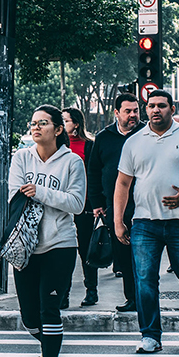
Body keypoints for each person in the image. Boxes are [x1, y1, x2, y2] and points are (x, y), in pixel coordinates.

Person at [114, 90, 179, 353]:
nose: (156, 110)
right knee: (145, 280)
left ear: (172, 109)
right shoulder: (134, 142)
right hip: (144, 223)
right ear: (146, 108)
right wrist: (118, 220)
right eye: (151, 106)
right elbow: (123, 183)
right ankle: (150, 335)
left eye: (162, 105)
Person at [8, 105, 87, 357]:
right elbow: (14, 196)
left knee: (49, 307)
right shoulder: (20, 158)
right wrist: (39, 194)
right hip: (25, 245)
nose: (36, 127)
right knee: (30, 317)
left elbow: (77, 203)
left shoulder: (72, 162)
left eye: (43, 122)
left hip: (60, 243)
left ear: (58, 129)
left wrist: (39, 191)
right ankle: (51, 344)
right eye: (33, 122)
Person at [87, 94, 145, 312]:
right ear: (116, 113)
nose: (133, 115)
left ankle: (145, 299)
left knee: (144, 256)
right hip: (115, 207)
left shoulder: (146, 134)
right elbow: (93, 172)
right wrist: (97, 203)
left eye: (136, 110)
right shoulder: (103, 137)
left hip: (144, 205)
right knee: (123, 256)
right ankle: (131, 298)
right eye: (128, 111)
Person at [61, 107, 96, 308]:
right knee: (64, 251)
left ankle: (92, 290)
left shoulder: (89, 145)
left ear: (76, 123)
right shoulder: (57, 147)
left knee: (85, 250)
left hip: (84, 206)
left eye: (65, 121)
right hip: (62, 206)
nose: (62, 124)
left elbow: (93, 176)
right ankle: (63, 294)